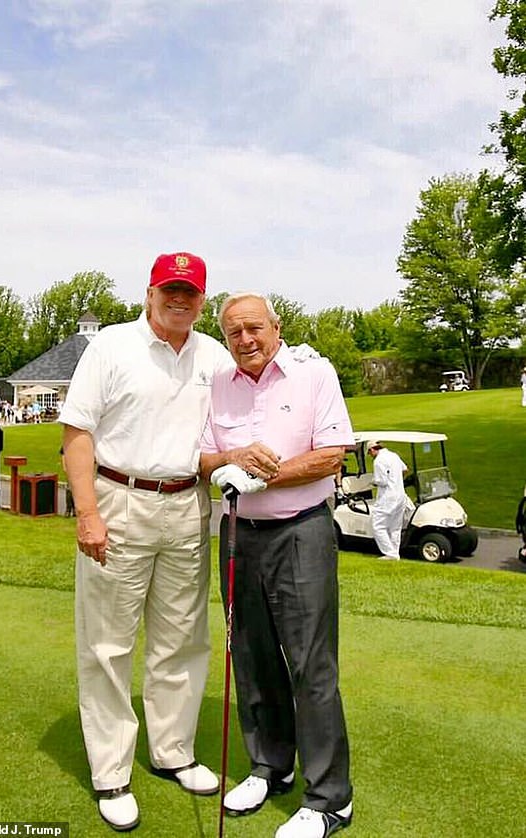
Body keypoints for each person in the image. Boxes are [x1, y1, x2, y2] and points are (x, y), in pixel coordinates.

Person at [58, 251, 229, 831]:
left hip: (188, 503)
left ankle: (173, 751)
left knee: (182, 638)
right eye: (169, 289)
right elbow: (77, 433)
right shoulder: (110, 346)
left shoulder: (213, 354)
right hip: (118, 499)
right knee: (108, 644)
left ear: (202, 298)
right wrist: (87, 514)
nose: (179, 300)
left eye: (190, 291)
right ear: (150, 292)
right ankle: (111, 772)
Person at [199, 292, 355, 838]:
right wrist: (226, 465)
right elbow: (203, 456)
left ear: (276, 326)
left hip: (301, 531)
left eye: (254, 328)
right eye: (234, 332)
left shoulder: (314, 373)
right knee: (251, 653)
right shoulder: (219, 382)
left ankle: (330, 798)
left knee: (311, 664)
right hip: (239, 533)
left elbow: (332, 453)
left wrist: (265, 474)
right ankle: (270, 765)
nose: (246, 340)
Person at [366, 440, 408, 560]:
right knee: (395, 526)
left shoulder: (378, 461)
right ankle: (395, 552)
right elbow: (405, 470)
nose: (370, 456)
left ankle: (390, 553)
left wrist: (373, 481)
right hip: (400, 495)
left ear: (372, 450)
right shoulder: (394, 455)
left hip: (387, 497)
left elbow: (382, 481)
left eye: (370, 453)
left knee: (378, 525)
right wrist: (396, 481)